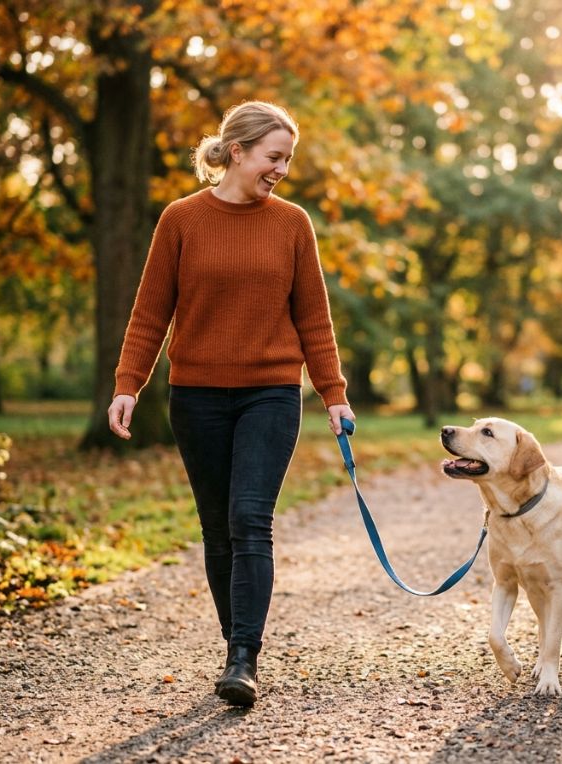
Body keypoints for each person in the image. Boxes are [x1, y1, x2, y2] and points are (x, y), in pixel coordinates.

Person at [106, 101, 355, 707]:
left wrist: (334, 393)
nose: (282, 170)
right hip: (196, 397)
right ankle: (233, 645)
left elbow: (313, 318)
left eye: (287, 159)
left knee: (249, 518)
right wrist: (128, 383)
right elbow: (151, 311)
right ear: (237, 152)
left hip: (271, 392)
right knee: (217, 528)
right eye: (274, 157)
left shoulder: (292, 223)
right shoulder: (181, 220)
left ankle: (244, 657)